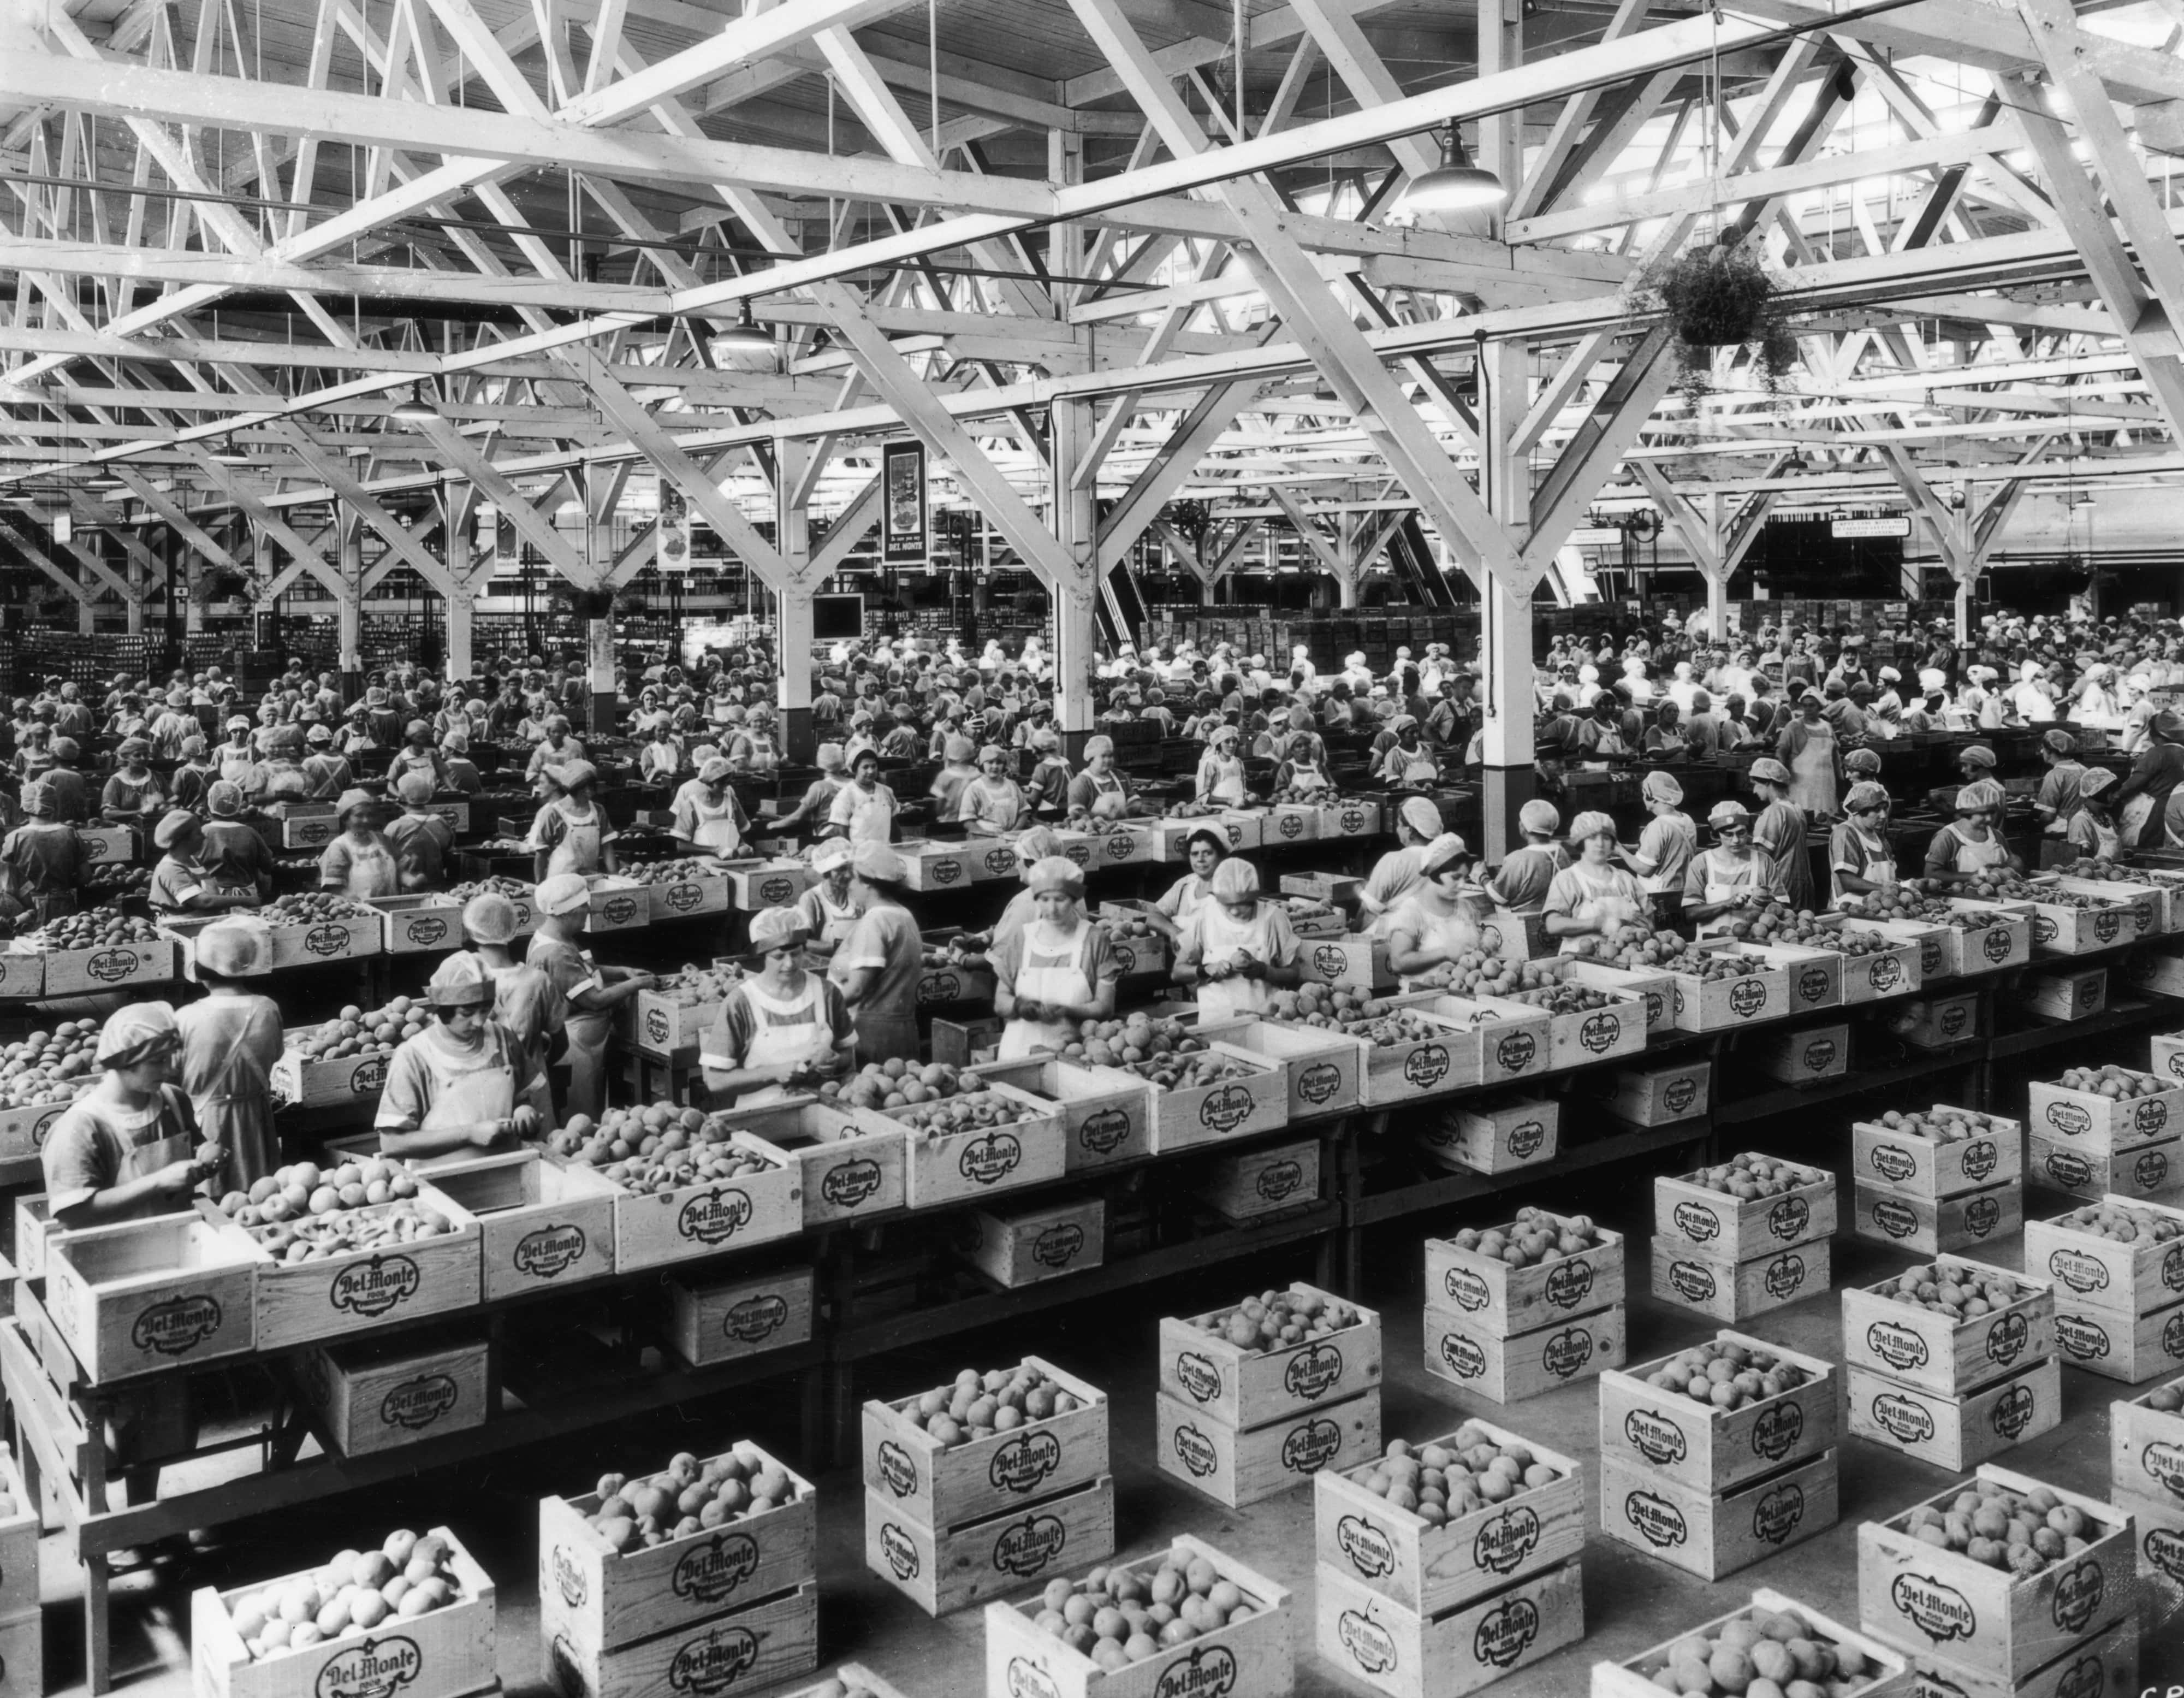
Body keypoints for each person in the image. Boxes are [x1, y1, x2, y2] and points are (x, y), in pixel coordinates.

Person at [375, 952, 549, 1159]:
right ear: (443, 1008)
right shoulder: (415, 1056)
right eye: (467, 1013)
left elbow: (521, 1097)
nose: (479, 1022)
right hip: (440, 1175)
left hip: (506, 1167)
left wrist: (523, 1112)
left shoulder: (503, 1039)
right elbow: (391, 1143)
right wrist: (468, 1134)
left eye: (485, 1010)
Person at [527, 873, 657, 1123]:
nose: (589, 910)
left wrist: (623, 972)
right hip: (575, 1043)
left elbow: (585, 970)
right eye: (583, 906)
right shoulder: (555, 954)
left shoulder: (555, 938)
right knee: (581, 1114)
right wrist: (636, 984)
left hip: (586, 1040)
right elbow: (595, 1000)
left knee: (592, 1102)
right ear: (566, 913)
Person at [700, 908, 856, 1107]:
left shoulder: (827, 993)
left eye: (796, 954)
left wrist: (834, 1061)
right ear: (763, 956)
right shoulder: (741, 1002)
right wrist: (773, 1073)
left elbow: (848, 1054)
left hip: (820, 1110)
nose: (789, 964)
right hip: (759, 1114)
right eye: (779, 957)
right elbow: (715, 1081)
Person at [174, 919, 282, 1195]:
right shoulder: (268, 1009)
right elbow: (277, 1054)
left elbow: (173, 1078)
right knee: (261, 1198)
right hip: (257, 1121)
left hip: (207, 1127)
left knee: (212, 1199)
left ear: (203, 970)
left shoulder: (187, 1017)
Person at [992, 857, 1120, 1058]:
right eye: (1044, 900)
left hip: (1072, 1058)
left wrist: (1068, 1011)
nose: (1052, 909)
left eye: (1060, 899)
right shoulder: (1022, 938)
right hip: (1016, 1057)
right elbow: (1000, 1001)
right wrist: (1020, 1006)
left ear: (1074, 899)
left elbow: (1105, 1008)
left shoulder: (1094, 940)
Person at [827, 842, 924, 1065]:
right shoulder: (905, 915)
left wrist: (822, 1008)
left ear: (868, 883)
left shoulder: (875, 921)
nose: (850, 886)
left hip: (871, 1033)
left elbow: (858, 988)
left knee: (874, 1083)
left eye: (853, 879)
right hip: (903, 1028)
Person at [1171, 857, 1303, 1018]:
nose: (1235, 911)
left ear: (1254, 898)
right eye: (1227, 905)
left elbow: (1294, 974)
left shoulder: (1273, 918)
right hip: (1215, 1022)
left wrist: (1264, 971)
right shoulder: (1204, 918)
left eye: (1242, 904)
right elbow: (1177, 972)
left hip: (1264, 1022)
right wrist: (1206, 970)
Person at [463, 890, 563, 1098]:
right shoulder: (538, 981)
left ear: (471, 931)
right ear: (514, 929)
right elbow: (561, 1043)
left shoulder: (462, 977)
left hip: (479, 1096)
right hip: (533, 1093)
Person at [1385, 835, 1494, 991]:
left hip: (1462, 994)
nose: (1461, 885)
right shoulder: (1411, 912)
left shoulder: (1465, 908)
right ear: (1434, 873)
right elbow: (1398, 963)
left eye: (1464, 878)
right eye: (1455, 878)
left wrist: (1485, 943)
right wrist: (1444, 953)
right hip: (1424, 998)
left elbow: (1474, 946)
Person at [1543, 811, 1649, 951]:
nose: (1600, 844)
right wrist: (1597, 924)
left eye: (1606, 838)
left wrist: (1644, 926)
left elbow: (1649, 920)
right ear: (1581, 842)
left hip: (1625, 959)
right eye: (1592, 838)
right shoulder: (1567, 879)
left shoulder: (1626, 879)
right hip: (1580, 959)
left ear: (1613, 843)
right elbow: (1553, 925)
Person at [1683, 802, 1789, 924]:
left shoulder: (1764, 861)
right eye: (1728, 835)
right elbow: (1691, 913)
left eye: (1741, 833)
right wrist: (1727, 904)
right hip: (1711, 936)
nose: (1736, 840)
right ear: (1715, 835)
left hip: (1753, 936)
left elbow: (1785, 908)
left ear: (1749, 832)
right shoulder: (1701, 863)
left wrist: (1771, 902)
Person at [1358, 797, 1446, 936]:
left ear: (1410, 830)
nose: (1397, 830)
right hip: (1436, 936)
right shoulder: (1447, 859)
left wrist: (1355, 933)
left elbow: (1369, 911)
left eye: (1399, 825)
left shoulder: (1394, 861)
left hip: (1398, 939)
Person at [148, 811, 258, 915]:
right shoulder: (171, 869)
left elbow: (212, 893)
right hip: (179, 924)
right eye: (198, 833)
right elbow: (204, 902)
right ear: (184, 840)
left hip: (202, 921)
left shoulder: (194, 861)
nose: (204, 837)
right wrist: (246, 900)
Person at [1749, 757, 1818, 910]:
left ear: (1768, 782)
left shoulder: (1774, 811)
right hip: (1801, 882)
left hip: (1780, 884)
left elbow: (1762, 857)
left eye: (1756, 784)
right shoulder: (1795, 807)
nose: (1754, 791)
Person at [1924, 780, 2022, 883]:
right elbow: (1930, 874)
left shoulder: (1997, 836)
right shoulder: (1947, 838)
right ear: (1967, 812)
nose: (1989, 818)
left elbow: (2010, 863)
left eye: (1992, 812)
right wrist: (1974, 876)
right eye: (1983, 813)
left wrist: (2014, 863)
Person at [531, 760, 610, 879]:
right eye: (583, 788)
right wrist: (540, 884)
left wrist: (615, 876)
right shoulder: (554, 814)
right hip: (559, 881)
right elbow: (541, 854)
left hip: (589, 879)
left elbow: (607, 847)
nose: (589, 792)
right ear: (572, 788)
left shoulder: (598, 811)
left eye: (591, 787)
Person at [1487, 800, 1568, 914]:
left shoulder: (1518, 859)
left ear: (1522, 827)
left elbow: (1497, 897)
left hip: (1523, 922)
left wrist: (1482, 877)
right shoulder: (1562, 852)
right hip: (1557, 917)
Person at [2117, 711, 2184, 848]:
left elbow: (2133, 785)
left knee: (2140, 850)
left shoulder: (2157, 753)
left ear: (2156, 734)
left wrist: (2115, 795)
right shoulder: (2181, 752)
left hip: (2151, 813)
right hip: (2174, 811)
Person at [201, 781, 275, 903]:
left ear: (209, 807)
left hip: (213, 898)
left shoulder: (202, 833)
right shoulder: (250, 833)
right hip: (247, 897)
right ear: (238, 807)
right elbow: (267, 865)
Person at [318, 789, 400, 899]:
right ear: (345, 819)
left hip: (390, 903)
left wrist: (412, 881)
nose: (366, 820)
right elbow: (335, 888)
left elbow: (400, 869)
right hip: (359, 908)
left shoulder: (383, 839)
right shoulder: (339, 847)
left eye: (370, 815)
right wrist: (354, 899)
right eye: (359, 815)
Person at [795, 837, 867, 962]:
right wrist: (840, 946)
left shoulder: (858, 895)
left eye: (850, 868)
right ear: (826, 872)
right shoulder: (812, 898)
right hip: (825, 965)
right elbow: (802, 943)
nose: (848, 875)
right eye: (841, 870)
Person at [1150, 828, 1227, 944]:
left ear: (1221, 856)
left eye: (1207, 853)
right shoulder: (1185, 885)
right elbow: (1153, 916)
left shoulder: (1231, 888)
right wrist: (1173, 931)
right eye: (1195, 854)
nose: (1200, 859)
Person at [1627, 772, 1697, 896]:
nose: (1643, 798)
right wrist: (1628, 848)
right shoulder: (1687, 819)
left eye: (1644, 794)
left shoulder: (1658, 826)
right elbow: (1670, 848)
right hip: (1684, 890)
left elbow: (1645, 870)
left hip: (1660, 895)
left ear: (1652, 798)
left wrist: (1619, 850)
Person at [1776, 689, 1842, 818]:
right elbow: (1781, 751)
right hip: (1801, 783)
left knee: (1826, 817)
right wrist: (1782, 778)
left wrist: (1840, 777)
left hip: (1825, 782)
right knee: (1803, 816)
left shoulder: (1827, 727)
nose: (1808, 709)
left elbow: (1835, 754)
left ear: (1819, 707)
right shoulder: (1794, 726)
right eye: (1805, 706)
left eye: (1812, 705)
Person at [1830, 783, 1900, 902]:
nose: (1883, 815)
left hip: (1881, 906)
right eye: (1877, 810)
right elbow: (1847, 881)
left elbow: (1888, 879)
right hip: (1853, 908)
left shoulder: (1879, 836)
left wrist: (1904, 886)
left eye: (1885, 809)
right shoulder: (1846, 833)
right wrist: (1882, 888)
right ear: (1861, 810)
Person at [670, 757, 748, 856]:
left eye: (728, 783)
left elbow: (743, 833)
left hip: (733, 863)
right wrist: (715, 850)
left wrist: (743, 846)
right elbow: (681, 845)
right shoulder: (691, 805)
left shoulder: (732, 802)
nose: (726, 788)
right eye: (721, 784)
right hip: (703, 864)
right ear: (710, 782)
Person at [775, 744, 849, 838]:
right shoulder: (852, 784)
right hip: (851, 834)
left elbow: (796, 818)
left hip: (828, 837)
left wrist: (774, 824)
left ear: (821, 763)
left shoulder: (819, 787)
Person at [827, 748, 899, 845]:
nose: (871, 771)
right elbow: (842, 836)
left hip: (884, 850)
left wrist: (898, 847)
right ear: (855, 769)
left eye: (874, 766)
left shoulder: (887, 792)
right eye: (865, 767)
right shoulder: (846, 796)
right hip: (858, 852)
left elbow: (894, 826)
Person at [100, 739, 165, 828]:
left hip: (157, 828)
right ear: (126, 757)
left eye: (146, 754)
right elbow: (107, 814)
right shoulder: (116, 781)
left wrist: (167, 807)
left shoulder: (157, 777)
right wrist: (138, 813)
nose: (143, 758)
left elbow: (171, 803)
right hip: (126, 830)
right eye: (137, 755)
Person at [2066, 767, 2124, 861]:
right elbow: (2083, 861)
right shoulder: (2081, 821)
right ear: (2099, 792)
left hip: (2116, 869)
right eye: (2113, 793)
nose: (2117, 796)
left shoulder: (2107, 818)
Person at [1066, 736, 1130, 814]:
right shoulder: (1081, 783)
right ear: (1092, 758)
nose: (1108, 760)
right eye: (1103, 756)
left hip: (1124, 822)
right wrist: (1104, 816)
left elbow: (1136, 802)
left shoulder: (1120, 776)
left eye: (1110, 756)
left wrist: (1126, 810)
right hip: (1095, 823)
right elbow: (1076, 813)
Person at [1196, 724, 1250, 807]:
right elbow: (1202, 797)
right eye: (1227, 741)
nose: (1232, 745)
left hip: (1238, 809)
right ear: (1219, 744)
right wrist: (1229, 801)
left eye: (1234, 741)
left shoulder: (1239, 763)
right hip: (1216, 810)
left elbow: (1243, 791)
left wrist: (1250, 797)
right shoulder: (1211, 764)